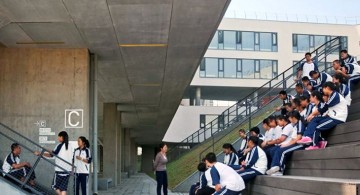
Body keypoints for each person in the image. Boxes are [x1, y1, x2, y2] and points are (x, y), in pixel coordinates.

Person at [297, 82, 348, 150]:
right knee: (314, 119)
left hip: (338, 118)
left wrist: (312, 114)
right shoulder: (332, 95)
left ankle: (316, 145)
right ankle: (309, 137)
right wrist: (313, 116)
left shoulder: (335, 95)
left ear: (327, 88)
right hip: (332, 116)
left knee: (317, 127)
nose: (323, 91)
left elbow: (324, 108)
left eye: (323, 88)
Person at [266, 111, 305, 176]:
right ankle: (274, 167)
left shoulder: (300, 123)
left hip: (299, 144)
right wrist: (286, 144)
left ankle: (279, 170)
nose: (289, 119)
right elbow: (293, 138)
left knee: (282, 151)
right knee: (276, 149)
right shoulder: (295, 125)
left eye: (289, 118)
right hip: (294, 143)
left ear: (293, 117)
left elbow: (299, 137)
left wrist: (287, 144)